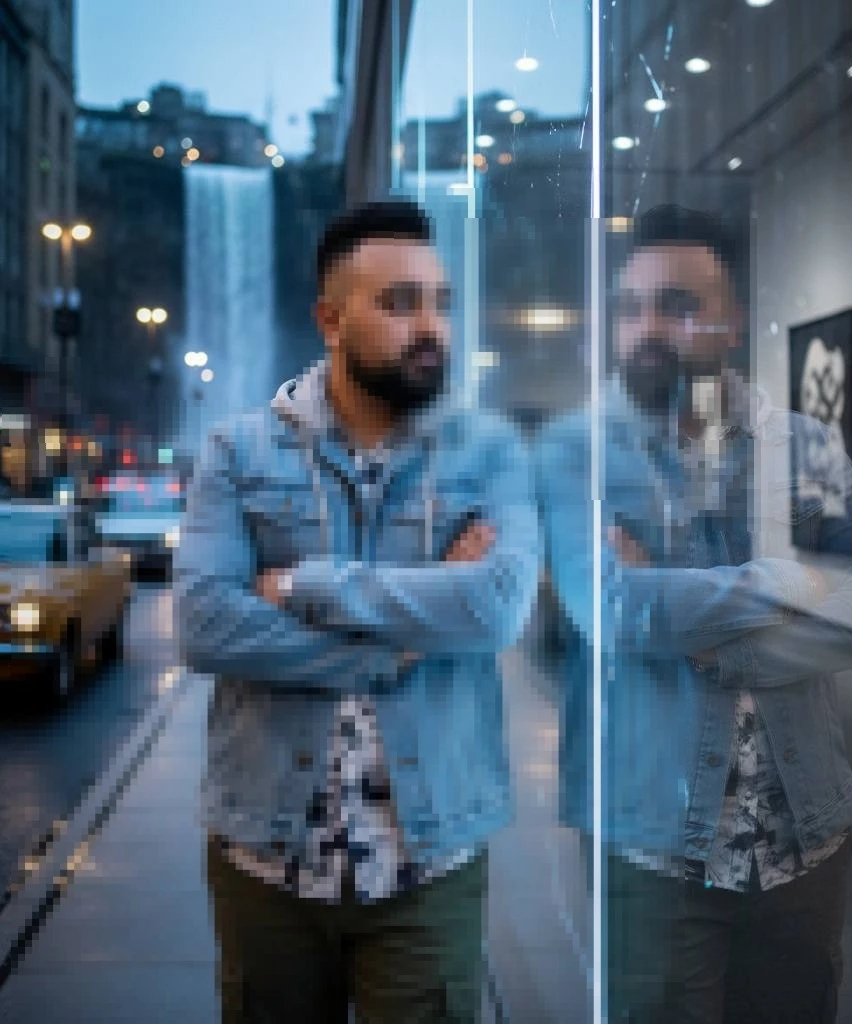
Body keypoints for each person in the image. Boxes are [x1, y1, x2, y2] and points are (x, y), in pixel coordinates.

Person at [174, 199, 540, 1023]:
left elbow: (497, 609)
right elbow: (203, 622)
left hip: (430, 860)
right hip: (264, 858)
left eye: (441, 302)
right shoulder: (238, 450)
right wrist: (401, 645)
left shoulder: (489, 452)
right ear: (331, 321)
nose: (431, 326)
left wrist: (303, 585)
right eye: (400, 303)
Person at [534, 205, 852, 1022]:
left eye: (677, 305)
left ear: (731, 321)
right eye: (631, 307)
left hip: (805, 835)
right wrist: (789, 579)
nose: (647, 328)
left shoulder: (803, 445)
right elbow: (610, 611)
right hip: (649, 848)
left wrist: (712, 648)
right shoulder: (574, 452)